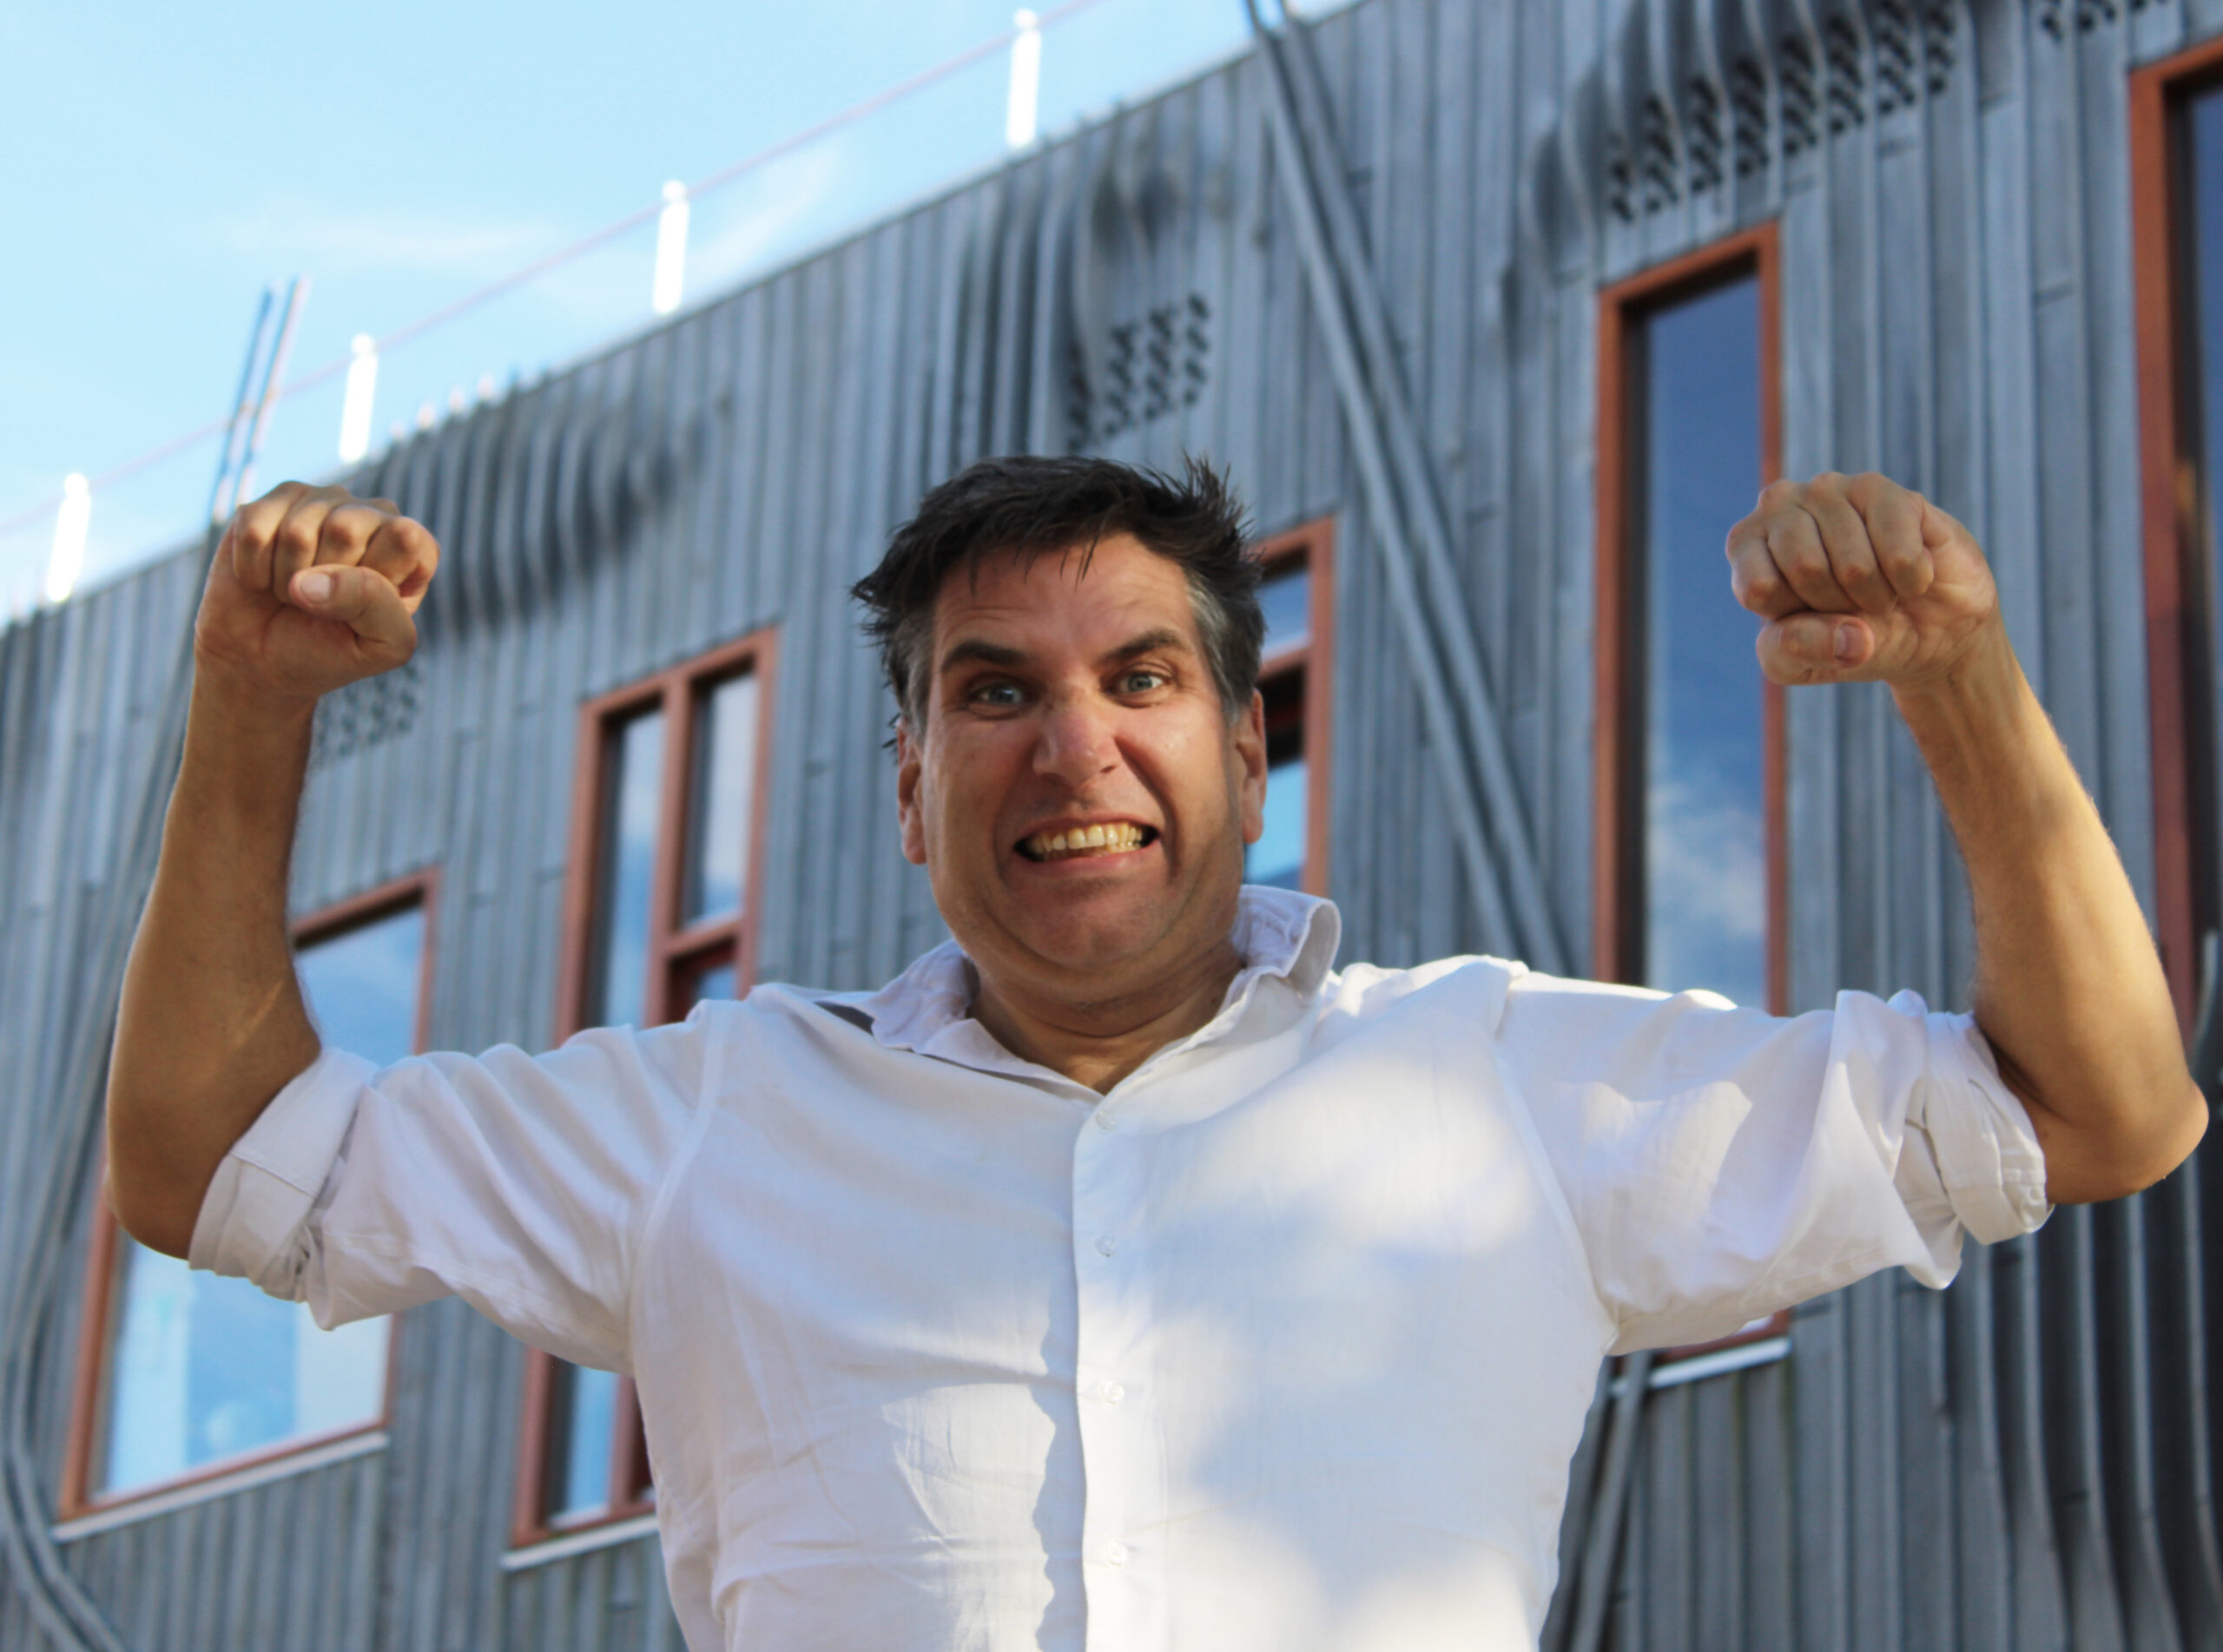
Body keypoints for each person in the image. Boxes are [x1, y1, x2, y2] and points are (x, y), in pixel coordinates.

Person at [107, 456, 2203, 1652]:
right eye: (992, 692)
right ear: (909, 783)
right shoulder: (713, 1116)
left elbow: (2095, 1110)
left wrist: (1957, 683)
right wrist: (249, 703)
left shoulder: (1489, 1076)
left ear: (1247, 752)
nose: (1072, 746)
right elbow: (213, 1161)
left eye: (1140, 678)